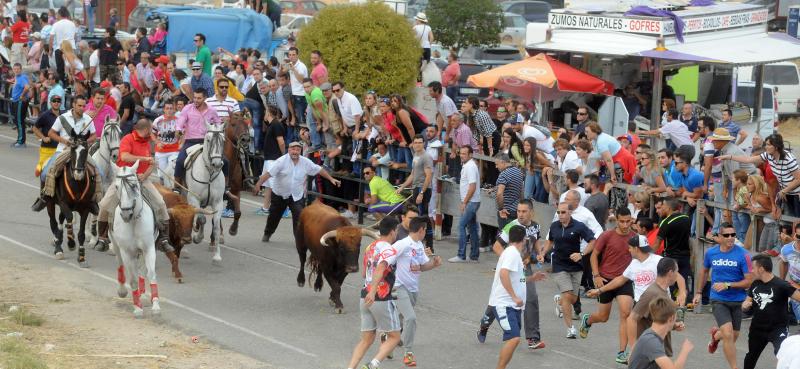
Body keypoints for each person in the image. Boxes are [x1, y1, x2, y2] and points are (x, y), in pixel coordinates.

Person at [95, 118, 171, 251]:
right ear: (146, 130)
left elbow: (151, 164)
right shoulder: (127, 139)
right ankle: (102, 238)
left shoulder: (146, 143)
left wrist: (145, 175)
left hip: (142, 179)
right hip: (124, 178)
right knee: (105, 204)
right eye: (151, 130)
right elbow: (124, 157)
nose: (152, 133)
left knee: (160, 203)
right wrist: (143, 159)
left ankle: (163, 238)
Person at [480, 200, 546, 350]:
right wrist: (510, 260)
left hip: (525, 267)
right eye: (518, 211)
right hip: (509, 267)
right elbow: (497, 246)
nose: (520, 214)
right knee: (499, 300)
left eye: (524, 211)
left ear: (531, 212)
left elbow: (535, 242)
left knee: (531, 298)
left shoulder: (535, 225)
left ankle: (532, 338)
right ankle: (484, 324)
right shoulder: (511, 226)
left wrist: (540, 253)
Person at [578, 207, 635, 364]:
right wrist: (596, 275)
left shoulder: (634, 237)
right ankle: (588, 320)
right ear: (616, 220)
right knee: (603, 317)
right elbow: (594, 255)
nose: (625, 225)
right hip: (605, 280)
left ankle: (622, 352)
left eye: (628, 221)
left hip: (624, 280)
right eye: (622, 221)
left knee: (626, 313)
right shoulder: (607, 235)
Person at [693, 223, 753, 369]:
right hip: (718, 299)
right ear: (719, 237)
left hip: (738, 300)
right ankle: (734, 367)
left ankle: (715, 336)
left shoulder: (744, 255)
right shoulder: (711, 253)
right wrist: (699, 292)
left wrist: (728, 285)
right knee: (728, 334)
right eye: (726, 235)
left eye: (733, 235)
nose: (730, 238)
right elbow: (704, 271)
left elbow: (748, 281)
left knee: (733, 336)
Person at [253, 142, 341, 242]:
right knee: (274, 217)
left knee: (299, 217)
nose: (295, 152)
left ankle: (299, 240)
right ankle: (268, 233)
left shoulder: (305, 162)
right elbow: (267, 174)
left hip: (296, 196)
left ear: (300, 151)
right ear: (289, 150)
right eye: (293, 149)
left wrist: (331, 179)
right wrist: (258, 185)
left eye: (297, 150)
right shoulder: (281, 161)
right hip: (280, 194)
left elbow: (319, 169)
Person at [486, 225, 547, 369]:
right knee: (514, 338)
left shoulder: (513, 254)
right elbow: (503, 274)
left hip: (512, 306)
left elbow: (517, 279)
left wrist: (532, 278)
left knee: (514, 339)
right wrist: (514, 297)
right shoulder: (512, 253)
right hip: (504, 304)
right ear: (524, 239)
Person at [346, 217, 402, 369]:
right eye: (396, 230)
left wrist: (369, 290)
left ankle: (350, 367)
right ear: (392, 232)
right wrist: (374, 290)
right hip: (380, 297)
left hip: (364, 296)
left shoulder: (370, 247)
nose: (396, 233)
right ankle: (373, 365)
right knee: (394, 337)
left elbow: (365, 273)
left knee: (366, 339)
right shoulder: (389, 250)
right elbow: (381, 267)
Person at [31, 96, 100, 212]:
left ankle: (93, 200)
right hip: (63, 150)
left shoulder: (88, 119)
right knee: (44, 173)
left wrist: (84, 142)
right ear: (73, 105)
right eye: (79, 106)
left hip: (81, 151)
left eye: (84, 106)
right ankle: (44, 198)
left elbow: (94, 135)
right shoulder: (63, 118)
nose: (82, 108)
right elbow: (51, 133)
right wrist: (65, 141)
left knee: (100, 173)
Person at [389, 217, 442, 367]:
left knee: (400, 316)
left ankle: (387, 339)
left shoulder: (419, 245)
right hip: (400, 287)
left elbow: (423, 266)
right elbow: (386, 260)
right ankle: (408, 353)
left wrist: (434, 264)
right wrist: (386, 282)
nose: (426, 233)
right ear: (421, 230)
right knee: (411, 318)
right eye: (426, 230)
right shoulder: (402, 244)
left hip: (413, 289)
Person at [538, 202, 596, 339]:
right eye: (558, 212)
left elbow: (593, 241)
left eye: (563, 212)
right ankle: (570, 329)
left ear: (570, 212)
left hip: (576, 267)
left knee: (572, 298)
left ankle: (560, 301)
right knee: (567, 293)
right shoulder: (554, 226)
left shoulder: (579, 226)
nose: (560, 215)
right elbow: (550, 241)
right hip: (559, 266)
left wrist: (581, 254)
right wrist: (543, 253)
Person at [721, 133, 800, 218]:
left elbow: (798, 179)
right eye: (766, 144)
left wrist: (784, 190)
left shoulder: (788, 159)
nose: (765, 147)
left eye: (768, 145)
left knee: (796, 221)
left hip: (796, 194)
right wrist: (730, 157)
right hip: (785, 194)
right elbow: (748, 159)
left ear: (776, 147)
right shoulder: (768, 155)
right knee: (787, 223)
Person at [743, 254, 800, 369]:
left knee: (783, 354)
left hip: (778, 329)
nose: (751, 271)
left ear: (761, 269)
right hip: (757, 328)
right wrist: (745, 306)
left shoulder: (782, 285)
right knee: (751, 357)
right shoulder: (755, 284)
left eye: (753, 268)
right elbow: (746, 303)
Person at [627, 257, 685, 357]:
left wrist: (674, 325)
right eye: (677, 272)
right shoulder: (652, 293)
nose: (677, 275)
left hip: (659, 350)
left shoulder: (663, 291)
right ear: (670, 273)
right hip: (650, 352)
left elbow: (656, 319)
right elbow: (631, 319)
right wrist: (633, 349)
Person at [172, 88, 222, 188]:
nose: (196, 100)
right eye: (194, 97)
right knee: (180, 161)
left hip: (207, 142)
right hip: (190, 141)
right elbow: (180, 121)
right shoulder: (187, 108)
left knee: (225, 161)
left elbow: (218, 123)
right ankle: (176, 187)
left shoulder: (211, 110)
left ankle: (225, 189)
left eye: (199, 98)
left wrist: (217, 131)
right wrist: (178, 130)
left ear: (205, 98)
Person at [626, 296, 694, 369]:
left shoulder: (650, 334)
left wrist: (673, 326)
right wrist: (684, 351)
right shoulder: (652, 341)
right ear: (671, 318)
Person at [396, 135, 434, 250]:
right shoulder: (416, 155)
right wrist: (402, 187)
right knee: (416, 216)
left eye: (420, 142)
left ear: (424, 143)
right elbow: (413, 174)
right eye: (415, 142)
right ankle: (419, 243)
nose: (417, 144)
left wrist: (422, 193)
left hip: (423, 188)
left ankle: (429, 246)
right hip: (416, 187)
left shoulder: (426, 157)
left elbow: (428, 176)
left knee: (422, 218)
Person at [655, 198, 692, 294]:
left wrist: (650, 256)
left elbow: (657, 242)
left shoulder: (666, 222)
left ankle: (670, 303)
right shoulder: (687, 218)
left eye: (663, 206)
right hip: (685, 256)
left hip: (671, 257)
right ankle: (683, 305)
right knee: (683, 282)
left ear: (668, 207)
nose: (662, 208)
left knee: (669, 283)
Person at [450, 145, 480, 263]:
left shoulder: (470, 167)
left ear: (470, 155)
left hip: (471, 202)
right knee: (472, 228)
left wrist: (464, 202)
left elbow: (472, 187)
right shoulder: (468, 165)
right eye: (461, 153)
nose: (461, 156)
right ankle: (474, 255)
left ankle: (461, 255)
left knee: (461, 226)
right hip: (472, 201)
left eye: (464, 154)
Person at [257, 104, 286, 216]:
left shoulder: (276, 124)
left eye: (265, 112)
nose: (264, 114)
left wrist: (282, 156)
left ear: (268, 113)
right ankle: (265, 208)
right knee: (268, 184)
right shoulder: (271, 125)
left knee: (275, 185)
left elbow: (281, 142)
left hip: (274, 159)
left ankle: (284, 209)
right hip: (268, 159)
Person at [32, 95, 61, 177]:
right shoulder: (45, 115)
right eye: (54, 101)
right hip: (47, 149)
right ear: (50, 103)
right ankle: (40, 167)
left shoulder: (63, 115)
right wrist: (43, 138)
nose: (56, 103)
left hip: (59, 149)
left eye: (58, 101)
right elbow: (34, 128)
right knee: (43, 170)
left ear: (61, 103)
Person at [152, 99, 180, 180]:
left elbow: (183, 133)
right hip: (161, 151)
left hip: (174, 151)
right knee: (162, 176)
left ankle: (174, 189)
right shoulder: (158, 121)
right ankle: (163, 190)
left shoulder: (178, 120)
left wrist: (181, 142)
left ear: (174, 109)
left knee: (172, 173)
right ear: (164, 110)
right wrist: (157, 142)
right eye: (167, 108)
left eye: (171, 108)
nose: (169, 110)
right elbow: (152, 133)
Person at [495, 153, 524, 229]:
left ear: (503, 162)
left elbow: (499, 193)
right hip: (516, 210)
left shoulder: (503, 174)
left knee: (503, 238)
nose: (496, 166)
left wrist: (501, 209)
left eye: (497, 164)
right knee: (513, 237)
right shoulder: (518, 172)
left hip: (506, 212)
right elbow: (521, 192)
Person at [50, 6, 76, 86]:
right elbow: (74, 36)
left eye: (57, 14)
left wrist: (50, 50)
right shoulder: (72, 24)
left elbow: (51, 38)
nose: (56, 15)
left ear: (60, 14)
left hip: (59, 48)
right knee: (71, 68)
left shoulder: (56, 24)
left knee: (60, 69)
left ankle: (61, 85)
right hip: (70, 48)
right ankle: (70, 85)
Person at [9, 62, 30, 148]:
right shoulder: (18, 77)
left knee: (19, 121)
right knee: (18, 121)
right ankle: (20, 139)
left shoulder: (21, 77)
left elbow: (27, 87)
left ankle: (21, 141)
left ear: (21, 70)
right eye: (15, 69)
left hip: (19, 101)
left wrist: (22, 95)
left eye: (18, 69)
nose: (16, 71)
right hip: (16, 101)